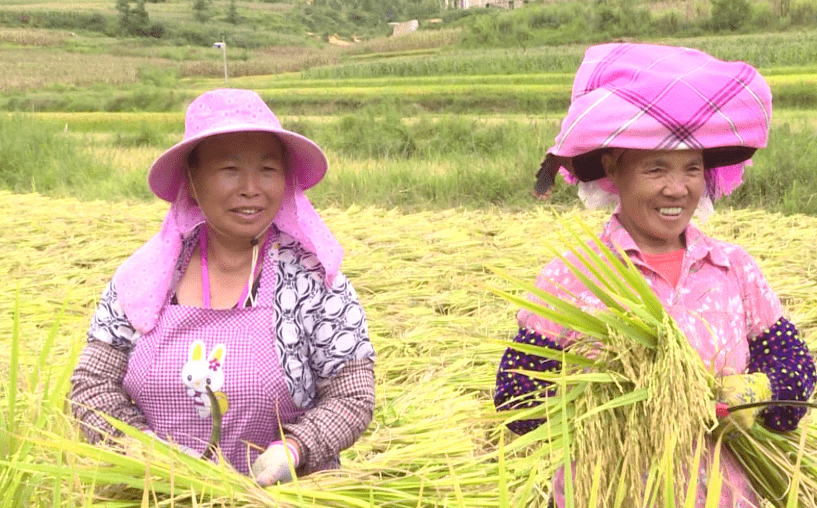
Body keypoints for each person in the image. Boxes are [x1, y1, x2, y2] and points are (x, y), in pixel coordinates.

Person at [494, 43, 815, 507]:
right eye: (656, 168)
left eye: (692, 169)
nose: (676, 188)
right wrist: (610, 391)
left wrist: (758, 391)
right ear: (612, 168)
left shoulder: (734, 270)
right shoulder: (575, 277)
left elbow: (795, 366)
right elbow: (515, 400)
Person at [70, 89, 376, 485]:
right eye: (229, 169)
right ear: (192, 181)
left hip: (282, 496)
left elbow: (352, 394)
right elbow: (92, 384)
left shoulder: (314, 283)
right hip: (155, 493)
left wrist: (295, 449)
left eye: (268, 169)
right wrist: (140, 449)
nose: (251, 188)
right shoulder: (146, 279)